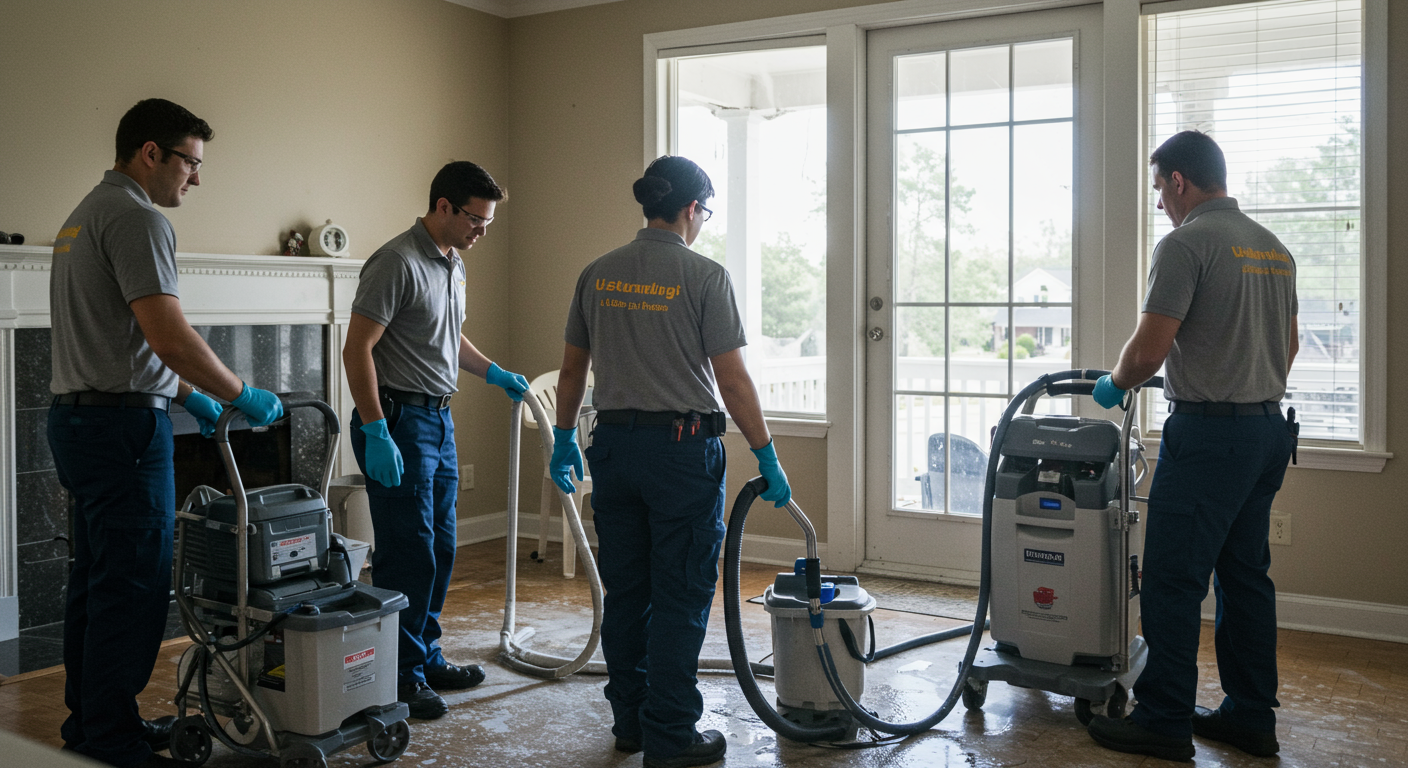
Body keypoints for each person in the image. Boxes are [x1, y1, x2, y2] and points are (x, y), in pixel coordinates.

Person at [49, 98, 284, 768]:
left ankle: (93, 723)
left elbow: (122, 343)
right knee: (135, 584)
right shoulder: (138, 218)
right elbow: (169, 337)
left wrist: (189, 397)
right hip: (122, 430)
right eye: (190, 161)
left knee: (97, 580)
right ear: (150, 153)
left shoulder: (83, 215)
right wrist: (238, 394)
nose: (196, 177)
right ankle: (114, 740)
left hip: (81, 419)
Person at [549, 155, 792, 768]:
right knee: (681, 594)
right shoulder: (705, 276)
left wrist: (562, 438)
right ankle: (672, 734)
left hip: (613, 449)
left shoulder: (597, 272)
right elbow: (732, 381)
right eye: (706, 212)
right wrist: (766, 453)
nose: (704, 222)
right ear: (690, 208)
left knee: (628, 592)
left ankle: (631, 722)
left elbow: (572, 370)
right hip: (682, 456)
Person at [1086, 130, 1298, 762]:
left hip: (1209, 436)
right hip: (1267, 432)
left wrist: (1113, 383)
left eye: (1159, 187)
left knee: (1173, 581)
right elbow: (1288, 348)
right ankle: (1251, 717)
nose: (1159, 202)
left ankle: (1164, 719)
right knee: (1244, 577)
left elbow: (1148, 351)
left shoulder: (1184, 245)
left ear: (1179, 180)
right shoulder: (1274, 249)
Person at [342, 160, 529, 720]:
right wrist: (375, 428)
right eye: (475, 219)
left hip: (439, 420)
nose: (482, 231)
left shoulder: (453, 262)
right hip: (398, 420)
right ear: (443, 206)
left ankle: (426, 656)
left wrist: (493, 371)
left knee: (441, 548)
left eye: (488, 222)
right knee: (409, 552)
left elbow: (448, 336)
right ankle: (402, 675)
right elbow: (357, 348)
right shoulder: (396, 262)